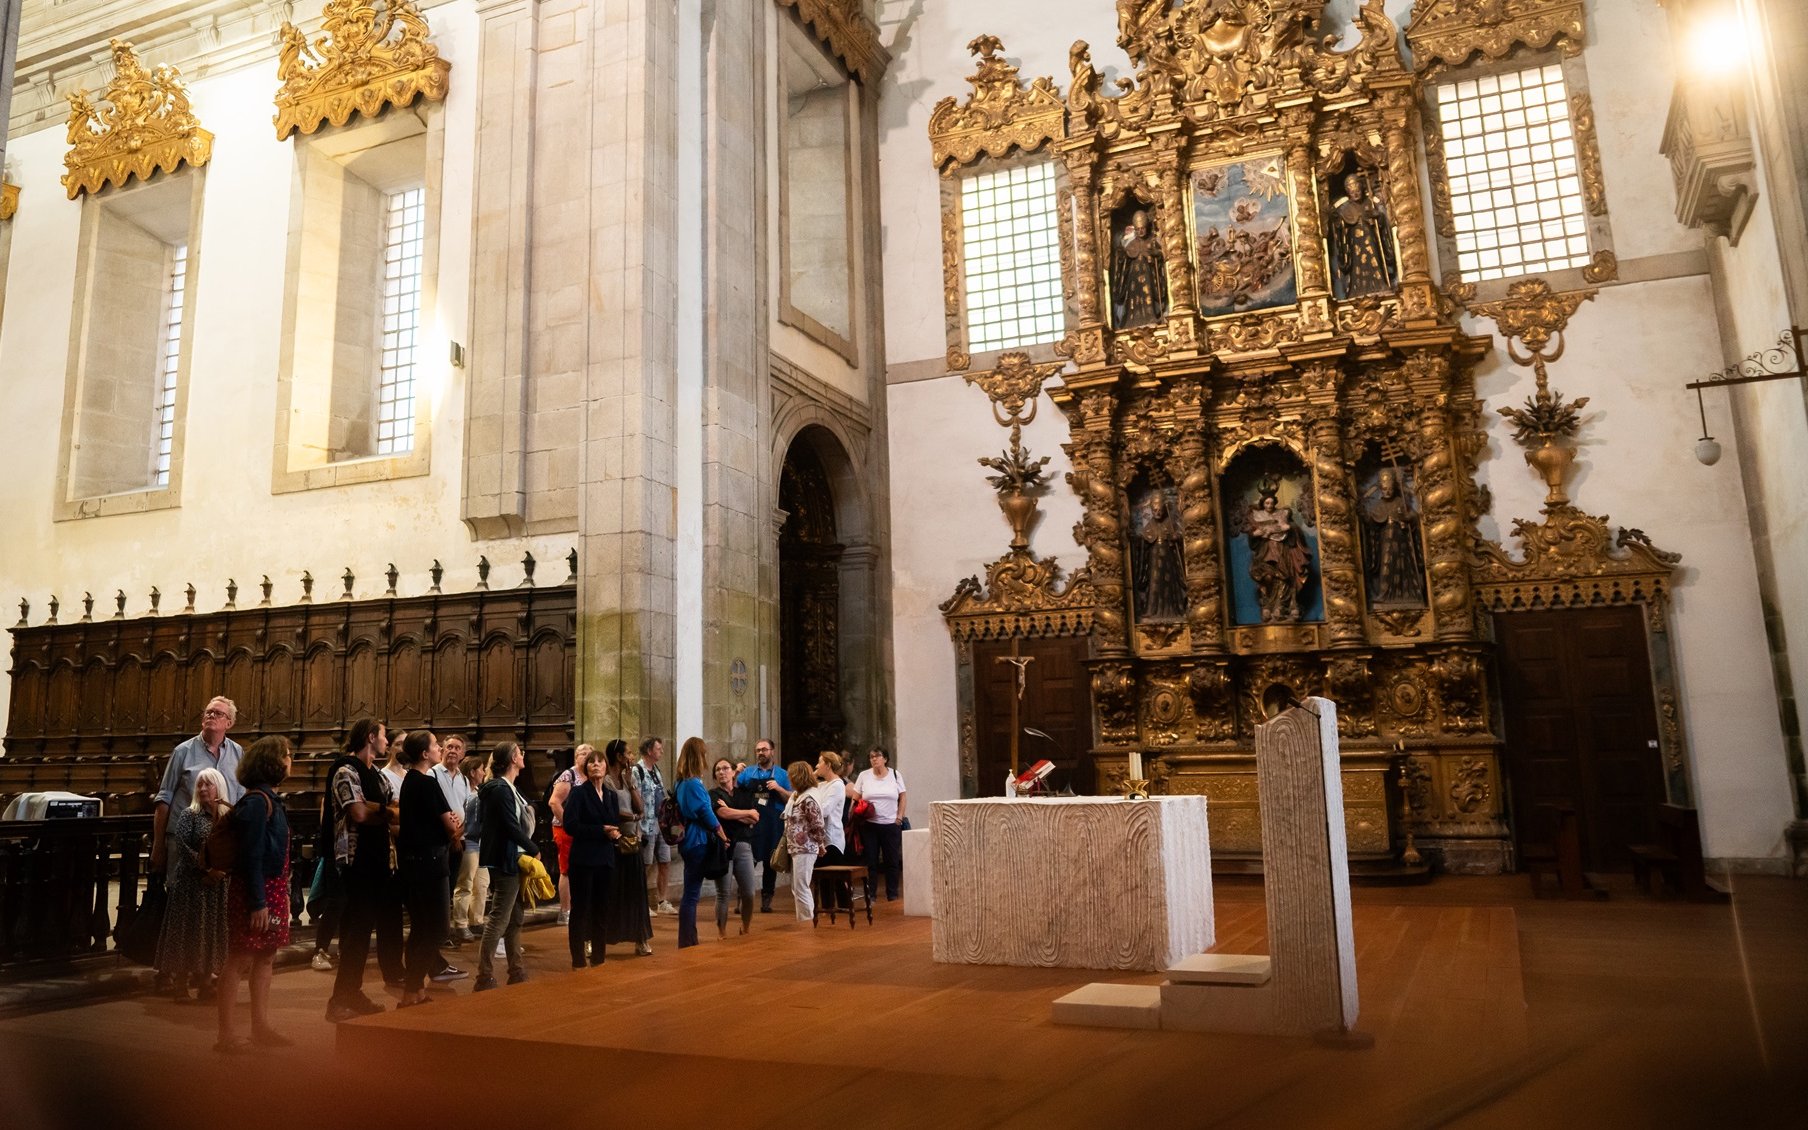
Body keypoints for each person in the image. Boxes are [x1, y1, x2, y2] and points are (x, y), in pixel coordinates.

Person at [216, 736, 292, 1053]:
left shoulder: (269, 798)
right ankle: (226, 1034)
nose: (291, 760)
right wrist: (258, 903)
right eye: (287, 755)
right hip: (255, 890)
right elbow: (252, 855)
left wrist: (278, 894)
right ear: (272, 761)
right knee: (240, 958)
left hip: (272, 888)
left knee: (266, 957)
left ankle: (260, 1027)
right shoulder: (257, 802)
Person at [325, 718, 396, 1023]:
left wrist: (377, 810)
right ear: (370, 737)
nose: (387, 742)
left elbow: (395, 811)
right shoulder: (345, 770)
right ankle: (340, 998)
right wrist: (379, 811)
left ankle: (350, 992)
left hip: (379, 859)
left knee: (364, 932)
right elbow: (358, 812)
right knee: (355, 932)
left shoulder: (377, 775)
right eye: (383, 736)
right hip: (355, 861)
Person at [397, 731, 462, 1008]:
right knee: (436, 929)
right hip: (432, 864)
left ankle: (415, 991)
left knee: (420, 928)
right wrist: (459, 827)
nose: (439, 748)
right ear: (425, 754)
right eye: (436, 745)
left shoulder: (409, 782)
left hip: (412, 864)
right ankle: (412, 988)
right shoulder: (427, 782)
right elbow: (451, 825)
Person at [151, 697, 244, 883]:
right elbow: (164, 799)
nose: (211, 715)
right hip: (184, 840)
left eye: (218, 713)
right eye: (208, 712)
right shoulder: (182, 751)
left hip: (220, 840)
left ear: (229, 723)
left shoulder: (237, 753)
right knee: (181, 893)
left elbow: (240, 798)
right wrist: (158, 846)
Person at [157, 766, 229, 1002]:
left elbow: (233, 846)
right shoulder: (190, 814)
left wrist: (221, 871)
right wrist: (206, 869)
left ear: (219, 786)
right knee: (188, 933)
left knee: (209, 932)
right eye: (200, 784)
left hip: (217, 885)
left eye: (208, 783)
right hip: (191, 883)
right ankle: (180, 984)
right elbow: (183, 846)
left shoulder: (226, 815)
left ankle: (207, 983)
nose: (203, 788)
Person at [475, 741, 540, 991]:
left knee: (515, 917)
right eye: (520, 753)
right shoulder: (500, 789)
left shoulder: (509, 788)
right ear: (513, 758)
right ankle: (484, 974)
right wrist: (534, 849)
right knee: (499, 917)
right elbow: (509, 826)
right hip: (505, 858)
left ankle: (516, 969)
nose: (523, 756)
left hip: (513, 856)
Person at [563, 750, 623, 967]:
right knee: (580, 909)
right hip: (584, 859)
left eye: (600, 762)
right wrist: (600, 830)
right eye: (591, 762)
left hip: (605, 859)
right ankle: (578, 959)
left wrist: (614, 833)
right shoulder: (578, 793)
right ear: (585, 768)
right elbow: (570, 826)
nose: (596, 765)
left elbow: (613, 822)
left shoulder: (611, 795)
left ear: (606, 767)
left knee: (601, 909)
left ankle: (599, 957)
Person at [672, 737, 728, 949]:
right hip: (698, 839)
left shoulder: (680, 782)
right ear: (698, 756)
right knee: (692, 894)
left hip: (689, 838)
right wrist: (721, 832)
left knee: (691, 892)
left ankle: (689, 938)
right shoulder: (693, 783)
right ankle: (687, 940)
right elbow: (705, 812)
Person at [599, 740, 653, 956]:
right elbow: (611, 809)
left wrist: (630, 784)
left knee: (637, 893)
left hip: (632, 841)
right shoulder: (607, 781)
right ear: (619, 757)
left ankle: (640, 939)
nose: (631, 756)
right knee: (611, 892)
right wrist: (632, 815)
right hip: (613, 842)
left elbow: (641, 807)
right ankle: (599, 938)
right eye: (628, 753)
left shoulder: (627, 777)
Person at [735, 738, 791, 912]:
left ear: (772, 751)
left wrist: (779, 788)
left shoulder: (782, 774)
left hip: (773, 823)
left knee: (770, 862)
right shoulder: (749, 772)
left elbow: (792, 798)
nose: (761, 753)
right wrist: (736, 773)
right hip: (752, 821)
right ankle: (742, 899)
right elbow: (735, 789)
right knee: (747, 862)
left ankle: (767, 899)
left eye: (764, 749)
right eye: (758, 750)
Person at [709, 757, 760, 938]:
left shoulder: (743, 794)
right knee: (723, 892)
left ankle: (745, 927)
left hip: (744, 845)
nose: (722, 772)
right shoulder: (713, 794)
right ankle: (721, 931)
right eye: (718, 770)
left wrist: (733, 814)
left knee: (749, 892)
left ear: (733, 771)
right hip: (723, 847)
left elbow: (754, 819)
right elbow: (722, 813)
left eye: (725, 768)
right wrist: (746, 813)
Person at [848, 746, 908, 901]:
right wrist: (852, 816)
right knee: (871, 861)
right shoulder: (864, 775)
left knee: (892, 861)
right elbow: (855, 797)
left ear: (885, 759)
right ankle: (871, 894)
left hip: (890, 824)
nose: (874, 759)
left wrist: (899, 817)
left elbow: (902, 796)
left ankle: (892, 894)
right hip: (869, 825)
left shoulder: (895, 775)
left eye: (877, 756)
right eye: (871, 756)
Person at [1329, 171, 1398, 300]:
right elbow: (1339, 229)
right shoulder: (1344, 208)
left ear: (1361, 188)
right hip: (1355, 245)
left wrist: (1378, 216)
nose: (1355, 193)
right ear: (1348, 192)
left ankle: (1380, 285)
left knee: (1375, 261)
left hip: (1372, 241)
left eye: (1357, 190)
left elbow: (1383, 222)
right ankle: (1357, 289)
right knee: (1358, 268)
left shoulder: (1370, 203)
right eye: (1352, 191)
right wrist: (1338, 221)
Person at [548, 743, 595, 927]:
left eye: (589, 754)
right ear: (576, 757)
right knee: (566, 870)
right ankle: (565, 911)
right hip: (565, 830)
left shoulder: (592, 776)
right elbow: (554, 802)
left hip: (585, 831)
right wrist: (568, 824)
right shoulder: (569, 775)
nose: (586, 756)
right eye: (582, 753)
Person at [433, 734, 472, 949]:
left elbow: (466, 808)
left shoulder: (464, 778)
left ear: (463, 754)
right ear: (441, 750)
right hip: (442, 839)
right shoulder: (433, 774)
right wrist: (451, 834)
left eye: (457, 748)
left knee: (452, 887)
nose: (452, 751)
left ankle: (445, 931)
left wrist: (460, 833)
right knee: (441, 890)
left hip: (459, 840)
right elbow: (436, 807)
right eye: (449, 746)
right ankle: (439, 934)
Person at [633, 737, 675, 915]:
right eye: (658, 748)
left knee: (665, 861)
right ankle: (640, 902)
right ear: (649, 751)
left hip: (660, 823)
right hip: (645, 824)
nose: (661, 751)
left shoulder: (656, 770)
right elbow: (635, 795)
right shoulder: (637, 770)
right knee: (646, 863)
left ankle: (661, 900)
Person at [781, 762, 827, 921]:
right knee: (797, 887)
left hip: (805, 847)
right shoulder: (797, 796)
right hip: (797, 847)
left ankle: (806, 922)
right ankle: (803, 919)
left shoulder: (809, 798)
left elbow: (817, 824)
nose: (789, 779)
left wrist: (820, 844)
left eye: (791, 776)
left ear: (798, 777)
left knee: (801, 886)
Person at [453, 754, 490, 943]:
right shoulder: (464, 791)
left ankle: (477, 920)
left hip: (481, 844)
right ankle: (460, 924)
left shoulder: (479, 791)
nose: (484, 773)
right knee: (465, 884)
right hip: (469, 842)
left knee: (482, 884)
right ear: (473, 772)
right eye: (481, 769)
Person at [1110, 208, 1168, 328]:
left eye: (1142, 229)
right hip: (1134, 278)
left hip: (1148, 276)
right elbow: (1124, 261)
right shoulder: (1130, 244)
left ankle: (1150, 316)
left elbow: (1160, 257)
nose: (1140, 231)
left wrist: (1155, 255)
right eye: (1138, 229)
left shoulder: (1152, 241)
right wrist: (1121, 256)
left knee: (1148, 295)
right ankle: (1132, 319)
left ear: (1146, 227)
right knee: (1133, 298)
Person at [813, 751, 849, 909]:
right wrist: (812, 777)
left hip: (832, 838)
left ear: (828, 765)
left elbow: (825, 810)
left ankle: (844, 907)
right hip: (819, 838)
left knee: (837, 879)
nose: (816, 766)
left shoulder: (838, 785)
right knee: (823, 879)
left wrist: (811, 808)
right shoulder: (821, 785)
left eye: (819, 763)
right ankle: (827, 909)